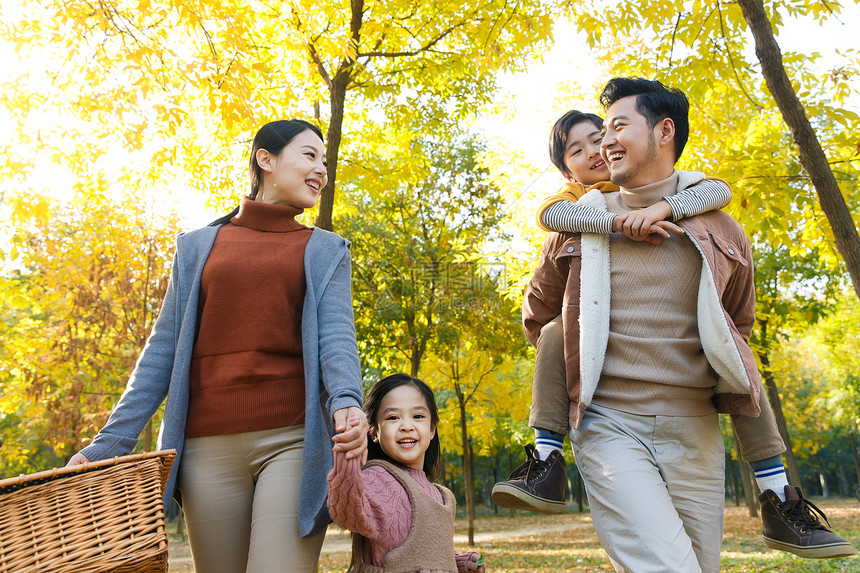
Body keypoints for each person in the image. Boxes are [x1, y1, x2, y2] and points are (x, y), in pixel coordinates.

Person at [519, 78, 853, 571]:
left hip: (696, 432)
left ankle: (778, 496)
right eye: (595, 133)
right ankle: (544, 461)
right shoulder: (578, 221)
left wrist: (669, 208)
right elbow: (540, 317)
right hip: (609, 426)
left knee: (699, 565)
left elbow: (737, 322)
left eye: (616, 127)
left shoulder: (719, 225)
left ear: (664, 131)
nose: (604, 142)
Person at [67, 119, 370, 573]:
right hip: (205, 449)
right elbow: (162, 351)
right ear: (265, 159)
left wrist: (347, 398)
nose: (321, 170)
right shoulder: (196, 247)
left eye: (325, 161)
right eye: (309, 155)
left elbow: (337, 335)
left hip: (292, 441)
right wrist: (111, 441)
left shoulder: (326, 249)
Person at [493, 109, 732, 515]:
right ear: (567, 173)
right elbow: (549, 216)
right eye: (576, 150)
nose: (592, 152)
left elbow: (718, 191)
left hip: (683, 387)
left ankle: (775, 489)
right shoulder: (577, 204)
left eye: (596, 137)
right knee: (554, 330)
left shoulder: (669, 191)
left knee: (736, 345)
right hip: (601, 374)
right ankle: (546, 457)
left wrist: (661, 210)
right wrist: (617, 222)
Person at [327, 373, 487, 573]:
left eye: (418, 416)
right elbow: (347, 513)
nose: (406, 426)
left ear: (432, 429)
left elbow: (427, 551)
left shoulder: (443, 496)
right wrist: (349, 454)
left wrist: (459, 562)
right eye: (393, 417)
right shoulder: (377, 479)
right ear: (374, 431)